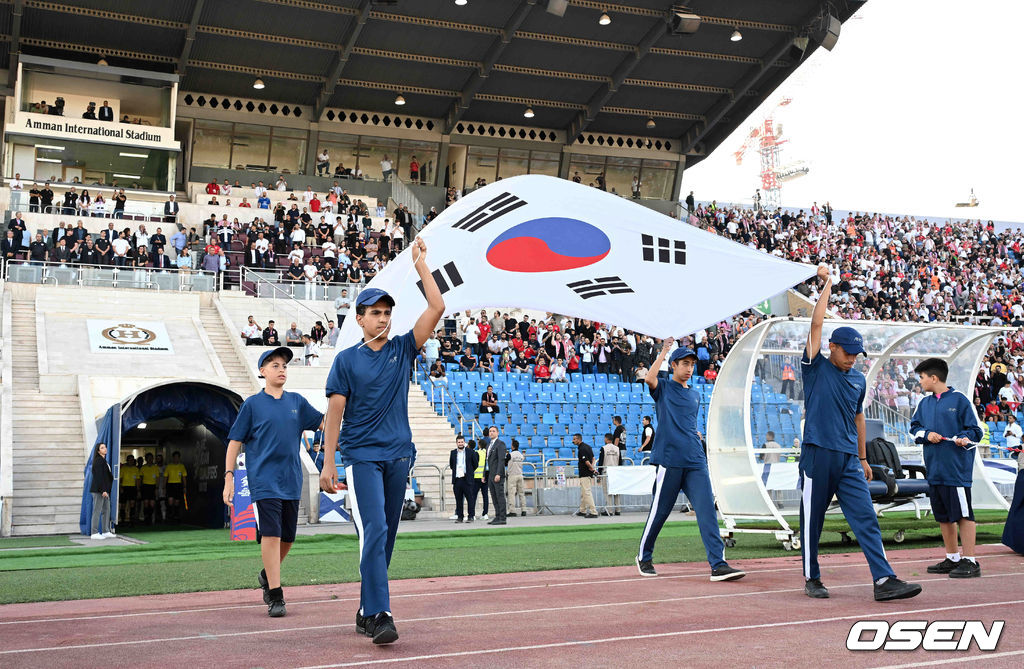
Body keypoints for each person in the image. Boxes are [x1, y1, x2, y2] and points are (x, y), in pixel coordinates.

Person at [319, 236, 444, 645]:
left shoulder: (404, 348)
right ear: (359, 318)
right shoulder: (346, 360)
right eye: (375, 313)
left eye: (388, 312)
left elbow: (437, 307)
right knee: (373, 529)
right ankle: (380, 614)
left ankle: (364, 606)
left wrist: (421, 264)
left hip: (398, 457)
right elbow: (333, 415)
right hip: (361, 457)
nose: (383, 318)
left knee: (386, 535)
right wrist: (328, 462)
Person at [799, 264, 921, 601]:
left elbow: (858, 418)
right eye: (848, 352)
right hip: (817, 453)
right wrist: (828, 284)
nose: (853, 359)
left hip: (849, 459)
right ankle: (812, 578)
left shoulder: (858, 378)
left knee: (866, 516)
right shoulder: (814, 367)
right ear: (833, 348)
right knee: (812, 520)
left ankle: (883, 580)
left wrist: (863, 456)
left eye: (857, 354)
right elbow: (817, 324)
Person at [224, 347, 324, 618]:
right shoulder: (252, 404)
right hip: (263, 480)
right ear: (263, 372)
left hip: (291, 478)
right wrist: (229, 477)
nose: (281, 369)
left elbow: (323, 423)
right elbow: (234, 442)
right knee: (272, 533)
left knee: (288, 537)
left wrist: (344, 403)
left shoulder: (297, 401)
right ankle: (276, 595)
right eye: (275, 365)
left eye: (284, 365)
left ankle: (266, 574)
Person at [636, 340, 745, 582]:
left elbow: (688, 422)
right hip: (670, 459)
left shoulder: (695, 394)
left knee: (707, 511)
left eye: (692, 364)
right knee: (660, 513)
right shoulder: (663, 387)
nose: (689, 368)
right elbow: (649, 378)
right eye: (684, 363)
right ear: (673, 365)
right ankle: (644, 556)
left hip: (695, 460)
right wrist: (664, 351)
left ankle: (718, 564)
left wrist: (696, 435)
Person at [910, 357, 984, 578]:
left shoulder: (960, 400)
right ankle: (952, 558)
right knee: (943, 516)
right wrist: (926, 434)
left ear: (934, 377)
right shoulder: (924, 403)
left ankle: (970, 560)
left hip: (956, 470)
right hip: (935, 470)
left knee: (963, 515)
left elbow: (976, 431)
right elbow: (914, 429)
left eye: (921, 378)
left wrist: (963, 437)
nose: (920, 382)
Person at [449, 434, 478, 523]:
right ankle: (460, 517)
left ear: (464, 442)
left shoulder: (470, 452)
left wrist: (469, 472)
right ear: (456, 443)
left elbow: (475, 464)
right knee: (458, 499)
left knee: (470, 498)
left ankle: (471, 516)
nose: (460, 443)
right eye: (459, 442)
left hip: (467, 479)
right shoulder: (453, 453)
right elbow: (451, 465)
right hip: (457, 479)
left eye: (462, 442)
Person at [89, 443, 115, 539]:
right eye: (102, 448)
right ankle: (94, 533)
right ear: (98, 451)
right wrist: (103, 490)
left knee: (106, 509)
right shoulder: (99, 461)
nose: (105, 449)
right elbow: (99, 477)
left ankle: (105, 531)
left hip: (105, 490)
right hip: (99, 490)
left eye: (105, 447)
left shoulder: (103, 461)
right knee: (97, 510)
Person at [572, 434, 598, 518]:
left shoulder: (582, 449)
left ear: (579, 439)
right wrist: (592, 467)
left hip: (584, 473)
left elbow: (586, 461)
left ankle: (593, 512)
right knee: (583, 493)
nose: (573, 441)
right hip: (588, 473)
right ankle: (582, 510)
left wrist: (591, 468)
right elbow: (593, 458)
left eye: (574, 439)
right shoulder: (588, 447)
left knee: (586, 492)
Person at [485, 426, 508, 525]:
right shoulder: (488, 445)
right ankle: (497, 515)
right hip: (490, 474)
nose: (491, 433)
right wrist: (484, 475)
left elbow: (501, 460)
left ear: (498, 433)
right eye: (490, 431)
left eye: (493, 431)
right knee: (494, 497)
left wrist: (498, 473)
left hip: (497, 475)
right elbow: (486, 462)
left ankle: (502, 517)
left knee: (500, 496)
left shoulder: (500, 444)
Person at [598, 433, 621, 516]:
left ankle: (610, 510)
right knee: (616, 491)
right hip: (616, 471)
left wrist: (599, 473)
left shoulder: (604, 448)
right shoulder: (617, 448)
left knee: (607, 491)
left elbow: (601, 462)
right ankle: (618, 509)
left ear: (606, 439)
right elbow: (620, 461)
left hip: (607, 472)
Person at [164, 451, 188, 523]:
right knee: (170, 501)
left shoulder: (182, 466)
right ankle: (170, 517)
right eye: (175, 457)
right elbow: (165, 477)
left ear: (179, 458)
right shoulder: (169, 466)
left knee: (177, 502)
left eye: (177, 457)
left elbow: (184, 478)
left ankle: (176, 517)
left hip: (178, 485)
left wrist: (185, 487)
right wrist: (164, 487)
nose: (176, 459)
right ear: (173, 458)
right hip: (170, 485)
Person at [506, 439, 526, 516]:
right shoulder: (521, 455)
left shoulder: (510, 455)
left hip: (512, 475)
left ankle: (512, 511)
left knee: (511, 493)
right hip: (520, 475)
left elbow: (505, 463)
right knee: (521, 493)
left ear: (512, 446)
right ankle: (524, 510)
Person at [119, 454, 140, 526]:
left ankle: (131, 520)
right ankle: (122, 520)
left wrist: (138, 490)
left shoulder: (136, 469)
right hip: (124, 488)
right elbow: (120, 479)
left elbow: (137, 480)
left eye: (132, 460)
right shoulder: (123, 468)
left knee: (132, 504)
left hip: (133, 488)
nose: (131, 461)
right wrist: (120, 487)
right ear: (127, 460)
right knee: (123, 505)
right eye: (129, 460)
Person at [139, 452, 160, 524]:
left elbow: (157, 478)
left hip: (153, 487)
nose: (150, 459)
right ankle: (146, 517)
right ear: (146, 459)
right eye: (148, 458)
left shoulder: (156, 468)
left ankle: (150, 517)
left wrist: (157, 488)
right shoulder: (143, 468)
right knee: (146, 503)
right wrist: (139, 489)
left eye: (151, 458)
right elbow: (140, 479)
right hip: (145, 486)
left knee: (152, 503)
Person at [472, 438, 489, 521]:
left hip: (477, 477)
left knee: (473, 496)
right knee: (485, 496)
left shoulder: (477, 453)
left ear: (479, 445)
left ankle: (473, 514)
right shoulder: (488, 453)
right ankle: (485, 513)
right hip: (485, 477)